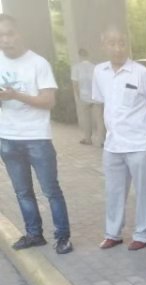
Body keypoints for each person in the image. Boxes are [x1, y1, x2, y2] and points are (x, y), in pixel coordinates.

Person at [0, 14, 73, 255]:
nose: (5, 39)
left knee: (51, 190)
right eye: (1, 35)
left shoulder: (38, 63)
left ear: (19, 34)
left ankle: (63, 237)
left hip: (37, 138)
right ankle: (34, 234)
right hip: (7, 138)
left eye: (9, 33)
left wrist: (15, 95)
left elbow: (48, 101)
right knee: (22, 192)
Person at [93, 27, 146, 251]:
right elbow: (100, 104)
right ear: (104, 46)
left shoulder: (142, 73)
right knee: (113, 191)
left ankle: (143, 235)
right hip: (112, 145)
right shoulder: (99, 72)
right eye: (112, 43)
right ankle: (112, 233)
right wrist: (99, 134)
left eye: (122, 43)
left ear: (127, 45)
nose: (117, 48)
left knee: (144, 192)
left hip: (140, 145)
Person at [71, 48, 103, 146]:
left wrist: (78, 96)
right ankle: (102, 140)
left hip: (83, 96)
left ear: (79, 56)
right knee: (99, 119)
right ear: (88, 55)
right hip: (96, 96)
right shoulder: (95, 67)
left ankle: (88, 139)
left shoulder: (76, 68)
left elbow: (75, 84)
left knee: (86, 119)